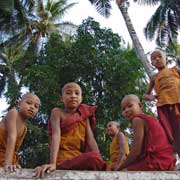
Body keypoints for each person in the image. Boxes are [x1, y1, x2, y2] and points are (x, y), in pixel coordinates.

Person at [34, 82, 106, 178]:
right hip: (63, 159)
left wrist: (100, 162)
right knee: (93, 158)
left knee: (96, 159)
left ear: (81, 97)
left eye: (77, 93)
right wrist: (53, 163)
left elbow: (91, 139)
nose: (73, 96)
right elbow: (56, 136)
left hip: (79, 158)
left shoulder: (84, 116)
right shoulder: (57, 112)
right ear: (61, 98)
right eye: (68, 93)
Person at [119, 94, 176, 170]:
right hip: (167, 161)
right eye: (123, 109)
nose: (126, 110)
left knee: (122, 173)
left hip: (156, 161)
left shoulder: (137, 119)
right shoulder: (148, 118)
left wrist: (121, 167)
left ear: (140, 106)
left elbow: (136, 151)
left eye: (130, 106)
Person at [144, 49, 180, 157]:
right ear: (152, 63)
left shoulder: (174, 70)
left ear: (166, 59)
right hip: (163, 107)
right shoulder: (154, 77)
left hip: (178, 102)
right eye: (154, 59)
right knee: (171, 134)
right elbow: (146, 95)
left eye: (159, 56)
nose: (157, 59)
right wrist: (153, 97)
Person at [0, 93, 40, 171]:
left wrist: (13, 163)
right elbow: (11, 137)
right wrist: (8, 164)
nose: (32, 107)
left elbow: (15, 150)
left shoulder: (25, 129)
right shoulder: (13, 113)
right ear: (19, 104)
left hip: (8, 157)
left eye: (36, 106)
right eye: (29, 103)